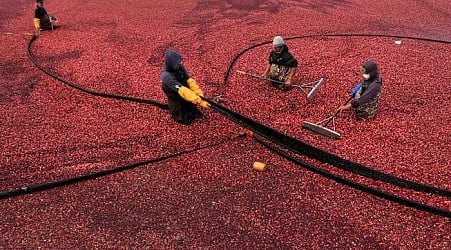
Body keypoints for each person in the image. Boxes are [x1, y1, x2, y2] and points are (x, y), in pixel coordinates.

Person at [161, 50, 210, 125]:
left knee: (191, 106)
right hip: (175, 95)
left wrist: (200, 96)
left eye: (180, 62)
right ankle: (179, 114)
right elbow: (182, 90)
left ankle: (191, 108)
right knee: (183, 116)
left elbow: (190, 81)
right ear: (172, 64)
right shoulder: (166, 76)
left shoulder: (179, 66)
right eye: (178, 63)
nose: (181, 64)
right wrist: (198, 101)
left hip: (183, 89)